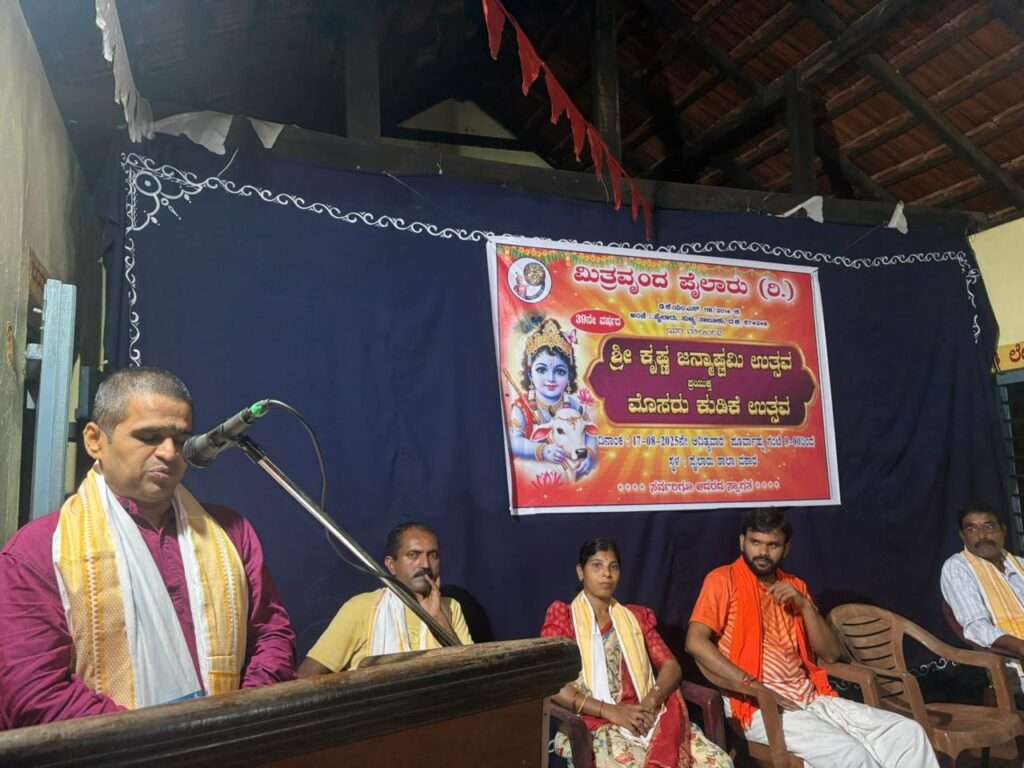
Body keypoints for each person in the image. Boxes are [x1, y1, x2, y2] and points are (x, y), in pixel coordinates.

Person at [0, 367, 296, 729]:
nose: (169, 453)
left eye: (181, 439)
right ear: (95, 440)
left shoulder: (231, 534)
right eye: (149, 437)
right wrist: (157, 741)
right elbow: (33, 694)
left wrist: (239, 722)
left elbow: (271, 637)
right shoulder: (36, 551)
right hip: (113, 753)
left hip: (230, 743)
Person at [686, 509, 938, 768]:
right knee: (850, 755)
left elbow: (830, 654)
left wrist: (805, 606)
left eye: (773, 545)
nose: (762, 552)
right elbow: (695, 642)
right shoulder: (722, 580)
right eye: (755, 542)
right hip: (757, 706)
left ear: (786, 549)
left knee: (907, 734)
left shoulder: (796, 585)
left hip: (811, 698)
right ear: (742, 542)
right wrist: (753, 685)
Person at [541, 538, 732, 768]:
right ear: (581, 572)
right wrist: (610, 711)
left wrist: (652, 700)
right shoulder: (564, 619)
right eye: (597, 566)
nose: (606, 574)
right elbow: (553, 684)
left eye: (613, 567)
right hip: (596, 724)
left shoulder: (634, 618)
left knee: (720, 762)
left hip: (646, 716)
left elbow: (671, 666)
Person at [298, 522, 472, 676]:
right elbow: (307, 675)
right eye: (413, 555)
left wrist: (437, 617)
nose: (425, 564)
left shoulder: (450, 607)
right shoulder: (362, 607)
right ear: (391, 565)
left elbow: (471, 671)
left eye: (433, 555)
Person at [507, 317, 597, 479]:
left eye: (560, 372)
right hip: (536, 473)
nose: (551, 379)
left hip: (572, 469)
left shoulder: (574, 404)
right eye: (541, 370)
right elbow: (513, 442)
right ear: (530, 374)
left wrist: (589, 454)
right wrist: (542, 450)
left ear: (569, 376)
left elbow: (591, 433)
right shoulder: (522, 407)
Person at [941, 501, 1024, 658]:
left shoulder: (1020, 565)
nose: (982, 536)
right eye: (971, 529)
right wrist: (1020, 647)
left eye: (989, 527)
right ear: (962, 536)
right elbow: (976, 627)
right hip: (1009, 660)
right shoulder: (958, 567)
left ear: (1003, 530)